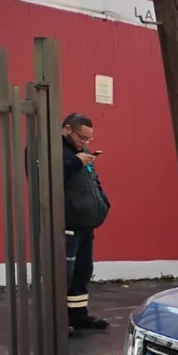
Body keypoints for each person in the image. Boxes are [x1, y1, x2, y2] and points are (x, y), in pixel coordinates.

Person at [61, 113, 111, 335]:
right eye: (82, 137)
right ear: (67, 129)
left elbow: (92, 179)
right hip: (66, 222)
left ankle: (79, 315)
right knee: (64, 274)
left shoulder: (84, 152)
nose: (85, 143)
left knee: (82, 271)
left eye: (88, 139)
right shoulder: (50, 150)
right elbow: (43, 177)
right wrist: (74, 162)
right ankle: (58, 320)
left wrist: (102, 200)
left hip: (85, 223)